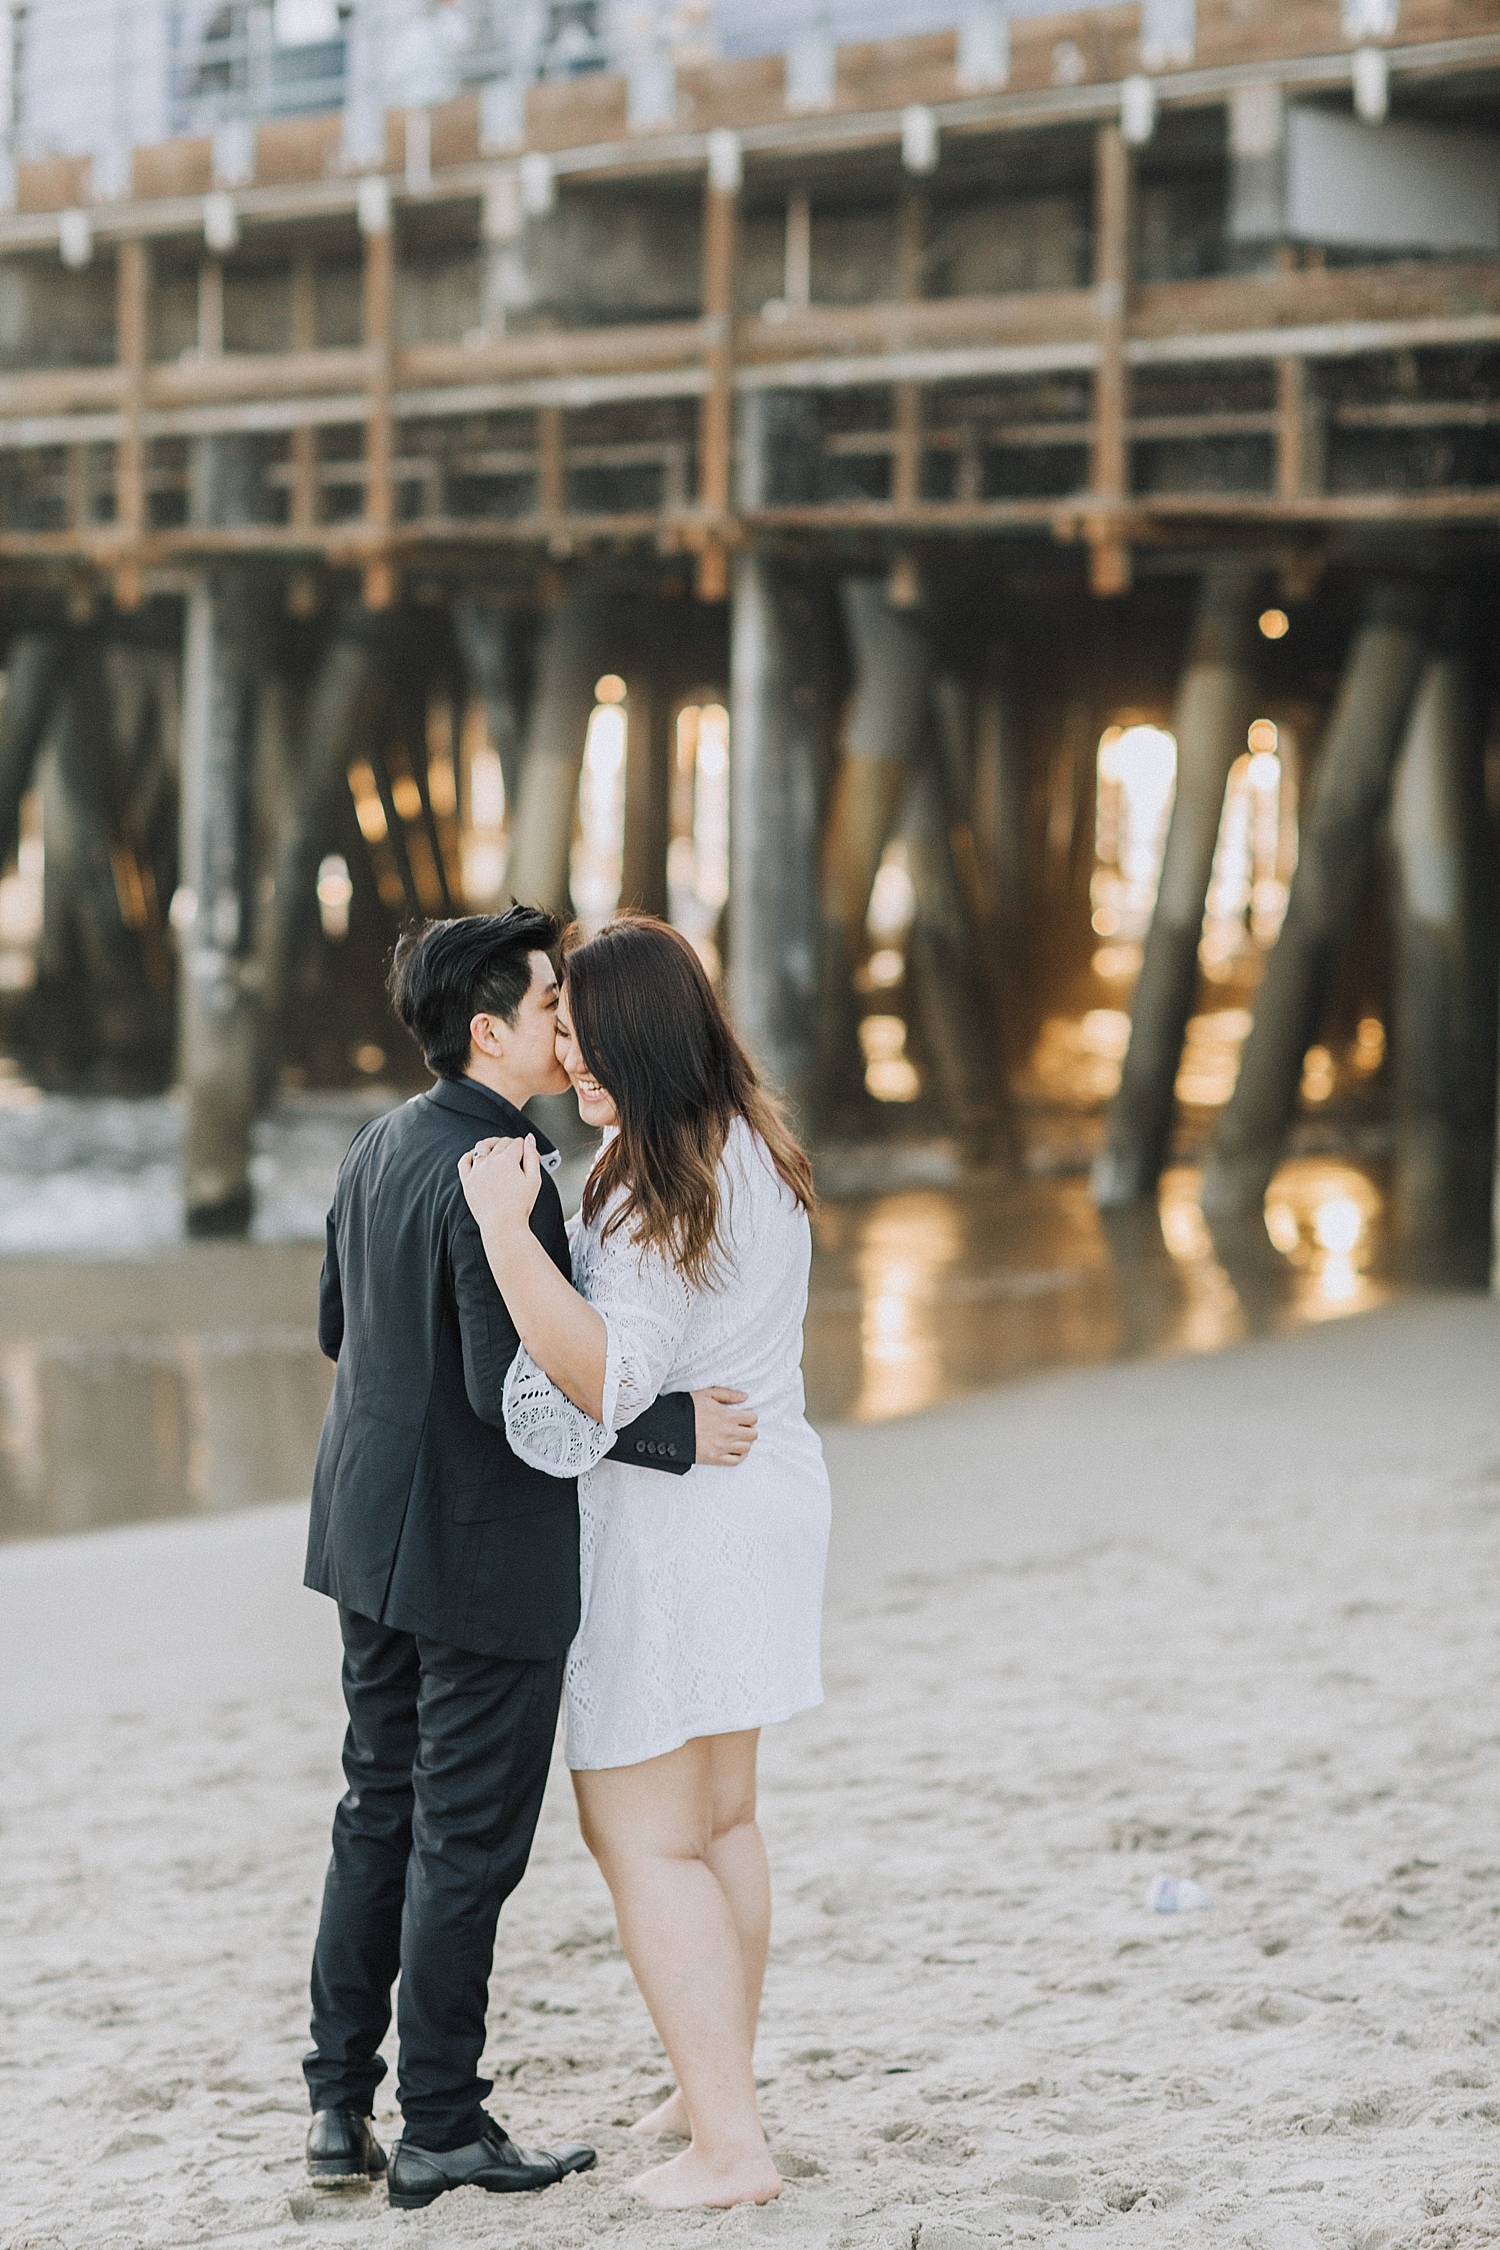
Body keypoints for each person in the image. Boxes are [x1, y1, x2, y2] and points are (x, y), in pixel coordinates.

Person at [300, 908, 759, 2212]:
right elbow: (542, 1391)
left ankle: (339, 2102)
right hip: (476, 1555)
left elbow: (342, 1325)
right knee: (467, 1838)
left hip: (360, 1531)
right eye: (553, 1004)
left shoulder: (377, 1140)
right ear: (490, 1025)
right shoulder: (507, 1170)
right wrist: (675, 1427)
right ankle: (441, 2120)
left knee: (373, 1806)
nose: (572, 1023)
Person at [457, 915, 831, 2211]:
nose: (568, 1052)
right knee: (721, 1817)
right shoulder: (754, 1142)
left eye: (585, 1034)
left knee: (640, 1831)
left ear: (644, 1040)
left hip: (683, 1535)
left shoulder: (644, 1180)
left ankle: (730, 2144)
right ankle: (709, 2081)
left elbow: (609, 1381)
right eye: (561, 1029)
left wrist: (509, 1230)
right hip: (768, 1499)